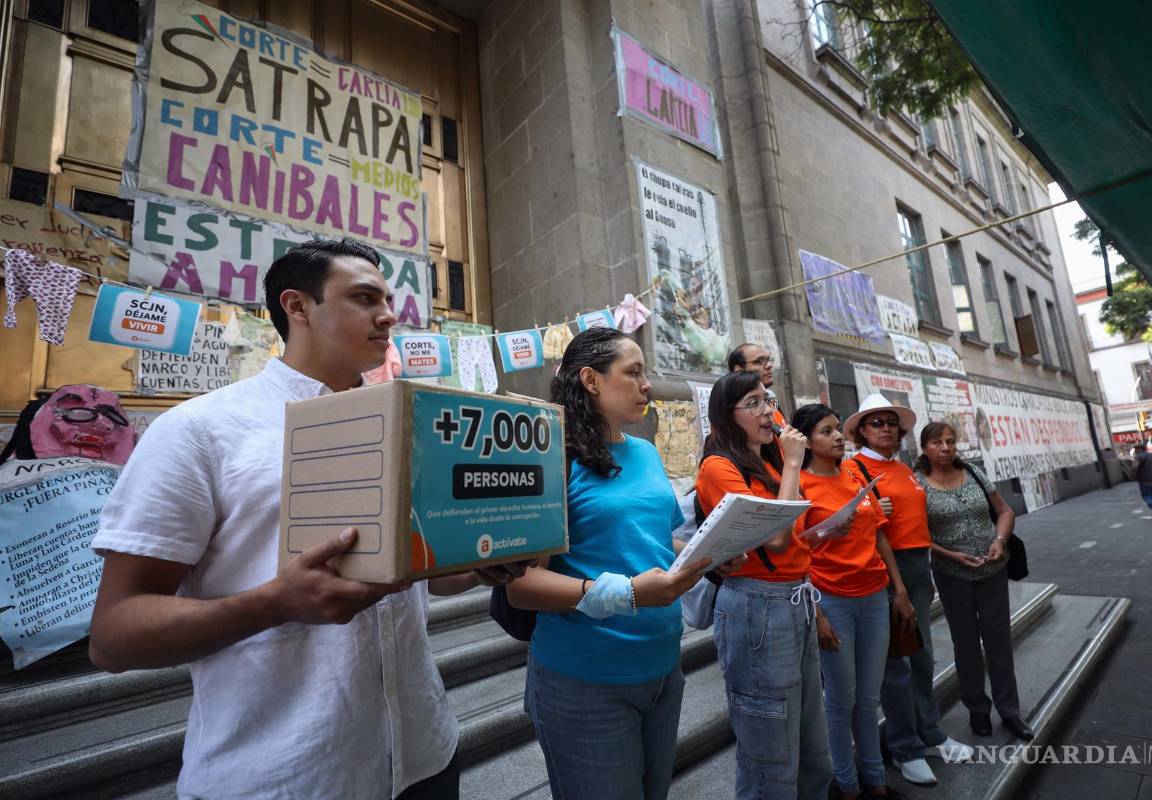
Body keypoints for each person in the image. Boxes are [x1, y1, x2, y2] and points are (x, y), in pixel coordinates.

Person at [88, 240, 530, 800]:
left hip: (425, 755)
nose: (389, 315)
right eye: (365, 298)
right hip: (286, 777)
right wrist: (276, 601)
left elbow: (431, 575)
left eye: (390, 299)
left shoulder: (414, 425)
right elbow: (112, 636)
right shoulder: (198, 432)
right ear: (297, 307)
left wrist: (484, 560)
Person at [505, 327, 711, 800]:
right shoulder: (550, 457)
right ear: (591, 380)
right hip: (585, 680)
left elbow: (656, 541)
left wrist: (710, 551)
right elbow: (521, 584)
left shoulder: (644, 452)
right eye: (633, 372)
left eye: (647, 374)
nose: (647, 386)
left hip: (662, 669)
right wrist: (628, 593)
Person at [694, 371, 833, 799]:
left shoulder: (769, 462)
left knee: (813, 744)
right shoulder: (718, 466)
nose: (766, 411)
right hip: (757, 606)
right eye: (752, 403)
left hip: (796, 597)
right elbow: (771, 535)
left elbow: (791, 531)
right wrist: (793, 462)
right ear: (726, 414)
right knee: (769, 753)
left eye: (766, 400)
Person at [843, 395, 973, 786]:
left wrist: (923, 573)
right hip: (885, 568)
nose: (886, 428)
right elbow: (851, 524)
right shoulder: (854, 469)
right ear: (861, 430)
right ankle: (905, 747)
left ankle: (928, 732)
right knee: (894, 663)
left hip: (916, 566)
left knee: (921, 655)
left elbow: (915, 521)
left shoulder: (901, 468)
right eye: (876, 422)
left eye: (891, 422)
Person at [791, 403, 914, 800]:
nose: (839, 437)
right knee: (841, 699)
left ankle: (875, 782)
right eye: (826, 432)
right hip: (832, 600)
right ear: (807, 441)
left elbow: (879, 534)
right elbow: (793, 551)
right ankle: (846, 787)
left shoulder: (855, 473)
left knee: (868, 696)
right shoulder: (799, 486)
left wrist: (900, 590)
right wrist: (818, 613)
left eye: (837, 430)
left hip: (874, 597)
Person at [914, 422, 1033, 742]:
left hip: (992, 568)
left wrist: (999, 540)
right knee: (965, 643)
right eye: (937, 442)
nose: (945, 447)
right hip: (951, 574)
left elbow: (1005, 511)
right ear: (924, 447)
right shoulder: (917, 484)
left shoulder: (975, 474)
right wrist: (950, 555)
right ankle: (977, 709)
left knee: (999, 638)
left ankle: (1010, 711)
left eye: (951, 441)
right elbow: (916, 534)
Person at [728, 342, 786, 428]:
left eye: (769, 360)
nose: (769, 366)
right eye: (759, 361)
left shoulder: (771, 401)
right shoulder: (730, 409)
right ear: (739, 370)